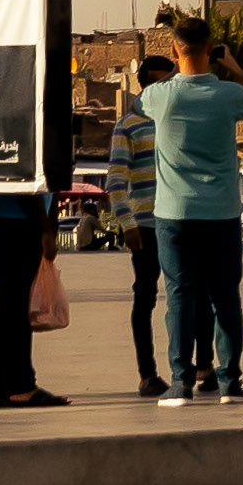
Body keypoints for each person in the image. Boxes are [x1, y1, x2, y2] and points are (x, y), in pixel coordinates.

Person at [152, 14, 243, 402]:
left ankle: (180, 382)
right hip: (221, 213)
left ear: (173, 50)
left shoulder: (160, 96)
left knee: (180, 295)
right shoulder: (228, 95)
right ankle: (230, 382)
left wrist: (174, 73)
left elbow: (138, 101)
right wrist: (234, 69)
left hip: (174, 213)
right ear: (212, 49)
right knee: (225, 297)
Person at [105, 48, 176, 400]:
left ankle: (194, 367)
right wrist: (127, 223)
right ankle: (147, 374)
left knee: (187, 295)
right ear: (149, 85)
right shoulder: (128, 126)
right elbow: (116, 180)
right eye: (166, 81)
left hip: (179, 220)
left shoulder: (176, 119)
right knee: (145, 298)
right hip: (146, 225)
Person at [0, 182, 60, 409]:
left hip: (8, 218)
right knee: (15, 308)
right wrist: (45, 228)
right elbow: (28, 183)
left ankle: (3, 385)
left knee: (6, 304)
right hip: (17, 221)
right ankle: (19, 386)